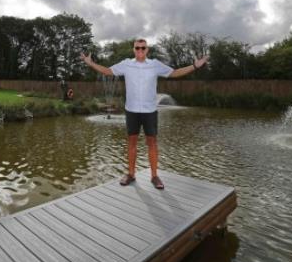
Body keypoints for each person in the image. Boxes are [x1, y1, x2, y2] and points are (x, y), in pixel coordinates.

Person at [81, 38, 208, 190]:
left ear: (147, 50)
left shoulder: (155, 65)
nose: (140, 50)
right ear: (133, 50)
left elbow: (174, 73)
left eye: (143, 48)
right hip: (132, 111)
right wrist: (90, 63)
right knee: (132, 143)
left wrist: (195, 66)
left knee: (152, 144)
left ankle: (154, 176)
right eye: (137, 48)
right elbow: (108, 71)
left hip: (150, 111)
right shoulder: (126, 64)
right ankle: (131, 174)